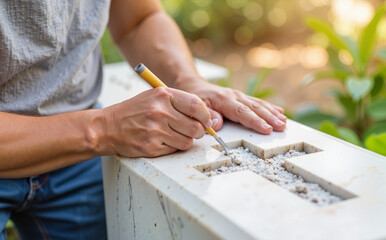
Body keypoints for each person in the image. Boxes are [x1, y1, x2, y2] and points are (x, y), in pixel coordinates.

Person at [0, 0, 287, 239]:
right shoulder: (102, 132)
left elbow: (138, 19)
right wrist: (105, 128)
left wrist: (186, 80)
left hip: (77, 157)